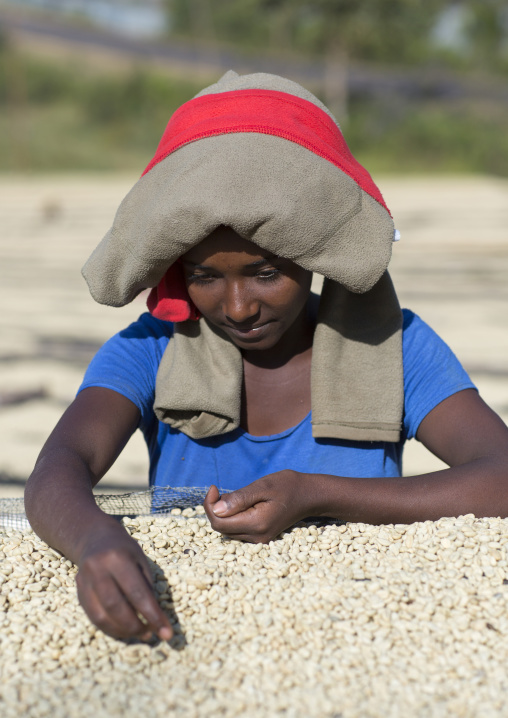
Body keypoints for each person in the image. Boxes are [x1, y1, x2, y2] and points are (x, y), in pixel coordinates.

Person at [25, 71, 508, 644]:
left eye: (266, 273)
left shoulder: (394, 345)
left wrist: (318, 493)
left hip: (356, 629)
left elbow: (500, 475)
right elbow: (57, 471)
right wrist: (96, 541)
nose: (238, 306)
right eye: (205, 276)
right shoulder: (153, 346)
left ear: (312, 254)